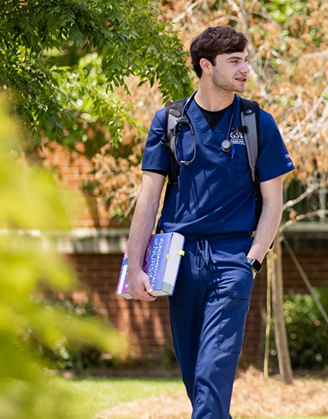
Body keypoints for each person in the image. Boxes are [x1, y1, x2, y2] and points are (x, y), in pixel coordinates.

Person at [126, 26, 295, 419]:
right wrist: (134, 266)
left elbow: (273, 201)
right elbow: (149, 196)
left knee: (212, 372)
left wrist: (252, 260)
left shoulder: (257, 123)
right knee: (194, 375)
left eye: (245, 61)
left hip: (232, 257)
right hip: (178, 258)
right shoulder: (168, 120)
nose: (244, 69)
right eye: (234, 61)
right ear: (206, 66)